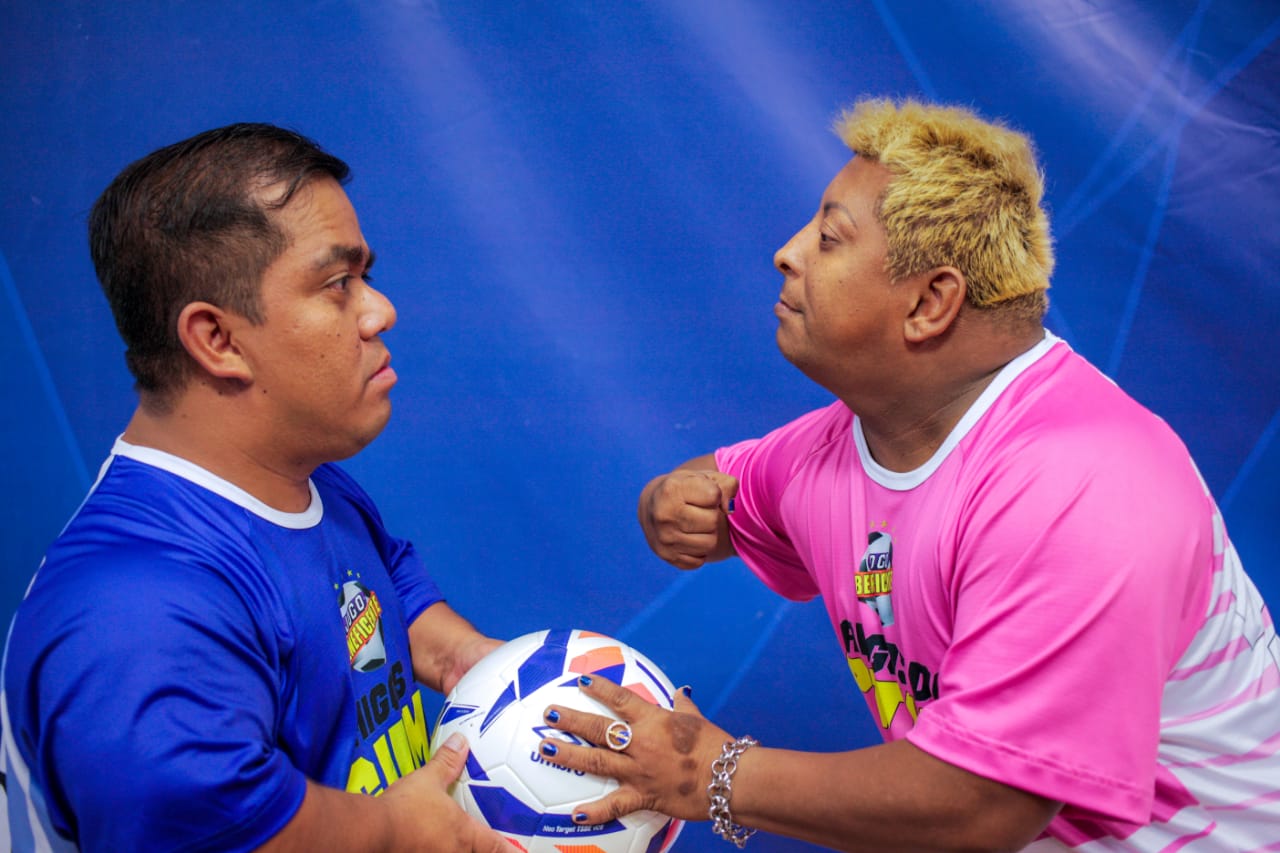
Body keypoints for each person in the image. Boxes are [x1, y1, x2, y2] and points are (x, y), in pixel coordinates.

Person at [534, 99, 1280, 851]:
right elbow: (721, 488)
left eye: (829, 239)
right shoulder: (859, 436)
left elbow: (981, 807)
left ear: (930, 301)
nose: (787, 253)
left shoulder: (1087, 484)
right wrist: (670, 502)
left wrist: (707, 774)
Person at [0, 124, 511, 852]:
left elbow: (382, 586)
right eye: (339, 284)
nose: (380, 310)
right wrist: (396, 829)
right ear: (219, 339)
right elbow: (220, 826)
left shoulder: (306, 482)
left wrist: (476, 663)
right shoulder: (132, 616)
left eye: (365, 275)